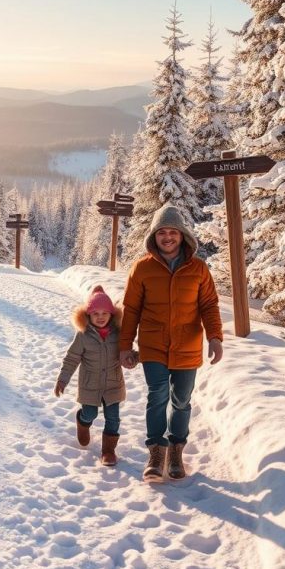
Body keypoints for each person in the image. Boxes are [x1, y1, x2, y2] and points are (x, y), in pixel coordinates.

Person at [119, 204, 223, 482]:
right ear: (154, 236)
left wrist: (215, 337)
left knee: (181, 401)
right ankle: (156, 450)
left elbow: (210, 305)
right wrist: (125, 345)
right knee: (157, 396)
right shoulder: (141, 268)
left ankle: (176, 448)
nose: (167, 237)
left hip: (187, 345)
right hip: (153, 345)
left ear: (182, 235)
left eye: (173, 232)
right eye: (162, 232)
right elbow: (131, 309)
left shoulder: (199, 269)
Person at [54, 285, 127, 467]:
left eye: (104, 313)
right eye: (95, 313)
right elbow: (71, 359)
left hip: (113, 385)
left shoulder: (119, 334)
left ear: (111, 314)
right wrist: (63, 379)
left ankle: (108, 451)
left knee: (113, 418)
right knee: (90, 413)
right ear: (88, 315)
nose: (100, 317)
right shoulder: (83, 336)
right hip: (90, 385)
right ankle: (82, 421)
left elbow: (127, 352)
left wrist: (133, 357)